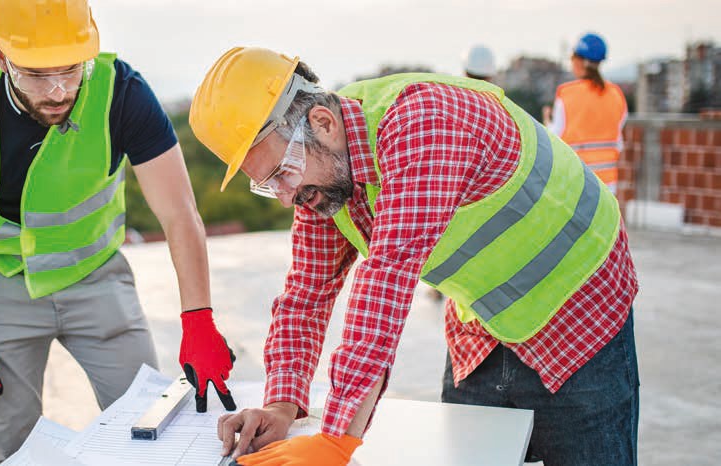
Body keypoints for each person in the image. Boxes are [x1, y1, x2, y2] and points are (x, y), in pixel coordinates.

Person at [190, 47, 639, 466]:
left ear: (323, 122)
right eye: (269, 183)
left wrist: (337, 439)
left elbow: (386, 280)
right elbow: (306, 294)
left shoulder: (422, 124)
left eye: (283, 172)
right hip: (482, 326)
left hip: (580, 308)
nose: (286, 198)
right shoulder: (322, 176)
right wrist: (281, 406)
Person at [0, 1, 235, 463]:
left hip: (96, 276)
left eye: (71, 70)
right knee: (13, 446)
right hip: (2, 284)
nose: (58, 90)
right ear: (0, 55)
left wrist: (198, 320)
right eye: (37, 75)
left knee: (148, 422)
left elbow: (179, 213)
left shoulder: (122, 93)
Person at [543, 33, 628, 193]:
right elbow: (618, 140)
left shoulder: (567, 94)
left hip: (576, 183)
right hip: (608, 186)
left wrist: (547, 119)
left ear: (580, 61)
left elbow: (554, 139)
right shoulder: (616, 94)